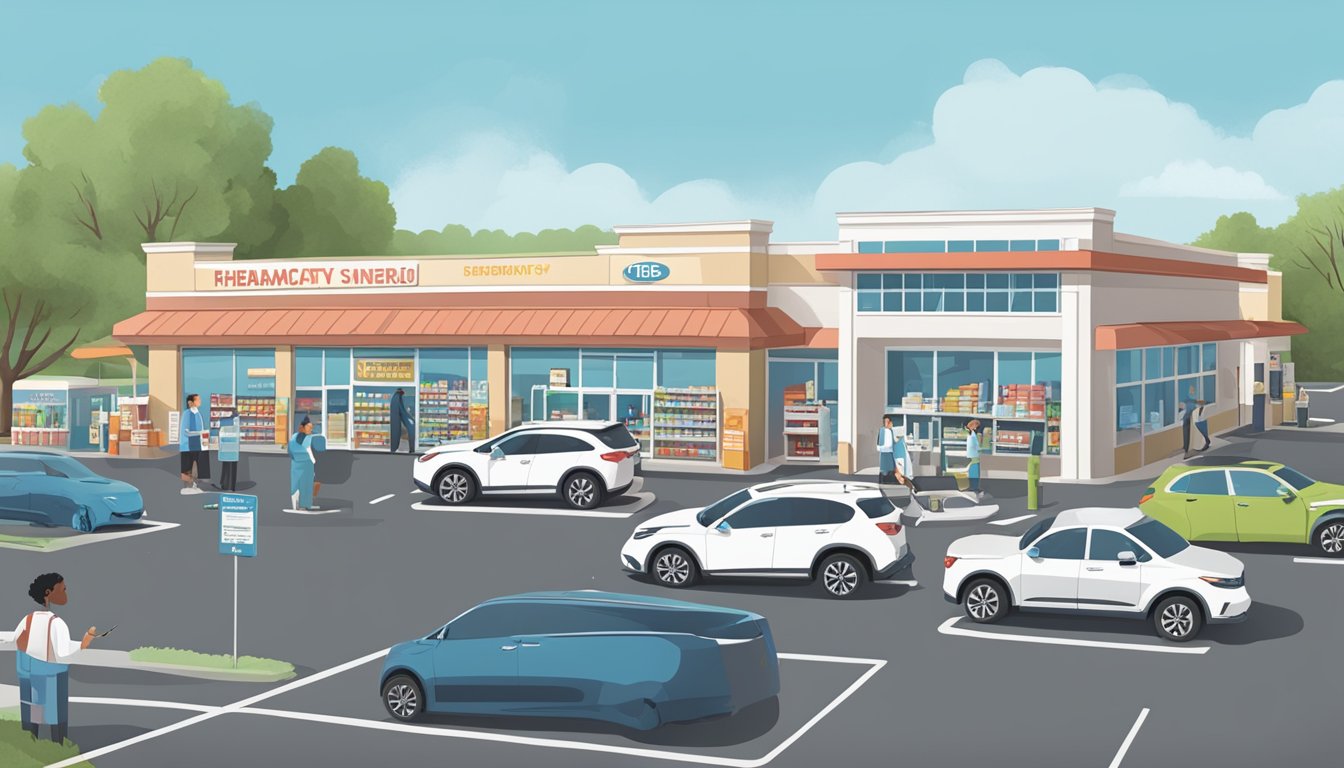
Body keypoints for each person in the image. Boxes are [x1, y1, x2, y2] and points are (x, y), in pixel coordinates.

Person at [13, 573, 96, 743]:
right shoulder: (57, 623)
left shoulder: (27, 619)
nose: (66, 592)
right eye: (63, 589)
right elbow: (62, 653)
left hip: (28, 670)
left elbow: (17, 639)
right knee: (55, 711)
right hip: (51, 674)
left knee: (32, 708)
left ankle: (31, 740)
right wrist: (83, 644)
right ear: (48, 592)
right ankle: (57, 743)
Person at [179, 393, 211, 495]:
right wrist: (200, 433)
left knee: (197, 466)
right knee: (187, 468)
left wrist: (203, 434)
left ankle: (195, 486)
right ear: (190, 402)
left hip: (198, 445)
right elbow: (186, 432)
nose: (200, 401)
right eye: (197, 399)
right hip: (187, 445)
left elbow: (200, 429)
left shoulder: (198, 413)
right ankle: (187, 488)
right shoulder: (186, 414)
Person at [288, 417, 319, 511]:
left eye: (311, 427)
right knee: (305, 483)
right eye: (309, 427)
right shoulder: (307, 438)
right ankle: (303, 504)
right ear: (303, 427)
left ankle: (300, 504)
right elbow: (308, 450)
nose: (311, 429)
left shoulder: (294, 436)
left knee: (299, 483)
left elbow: (289, 450)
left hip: (297, 463)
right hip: (306, 463)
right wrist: (313, 461)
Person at [216, 408, 240, 492]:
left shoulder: (230, 420)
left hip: (228, 448)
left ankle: (227, 486)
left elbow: (224, 431)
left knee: (228, 467)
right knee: (230, 467)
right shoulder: (235, 419)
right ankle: (228, 485)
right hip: (232, 449)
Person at [389, 389, 415, 454]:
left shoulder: (395, 399)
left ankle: (394, 448)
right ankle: (411, 448)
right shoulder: (397, 399)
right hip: (402, 421)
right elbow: (402, 412)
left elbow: (401, 411)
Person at [965, 419, 983, 494]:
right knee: (973, 473)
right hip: (973, 458)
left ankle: (974, 488)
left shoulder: (973, 434)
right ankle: (974, 488)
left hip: (974, 458)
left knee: (974, 473)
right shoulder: (972, 434)